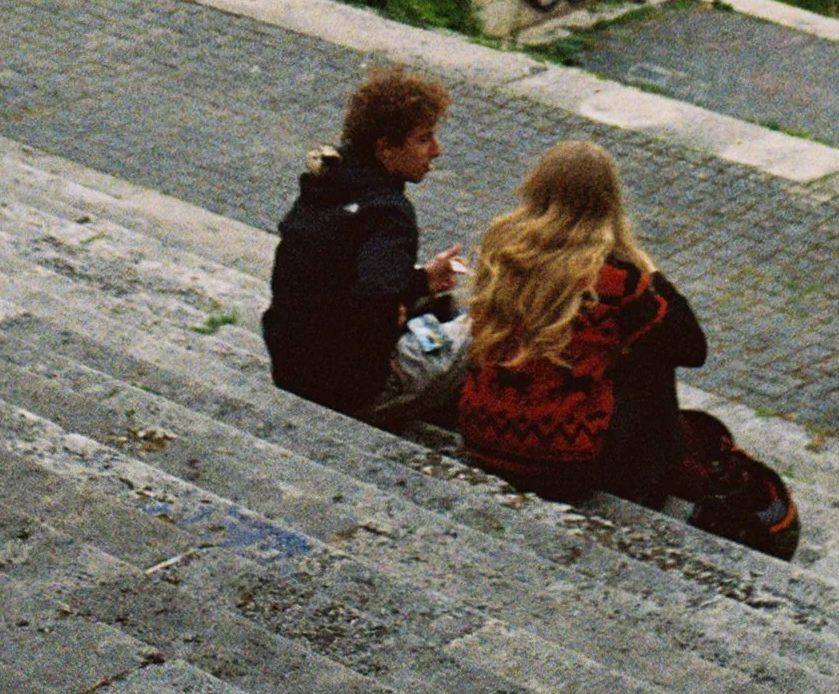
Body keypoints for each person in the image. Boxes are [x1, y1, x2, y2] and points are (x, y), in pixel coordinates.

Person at [459, 140, 707, 506]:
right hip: (564, 468)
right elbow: (691, 347)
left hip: (483, 435)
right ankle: (652, 484)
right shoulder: (615, 279)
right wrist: (651, 272)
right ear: (608, 204)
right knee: (654, 354)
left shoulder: (503, 251)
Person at [262, 64, 471, 423]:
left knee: (425, 306)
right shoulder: (389, 213)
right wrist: (392, 319)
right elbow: (375, 295)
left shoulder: (327, 184)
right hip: (352, 392)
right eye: (424, 138)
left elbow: (337, 278)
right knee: (484, 327)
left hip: (292, 372)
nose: (436, 150)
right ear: (385, 148)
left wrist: (421, 281)